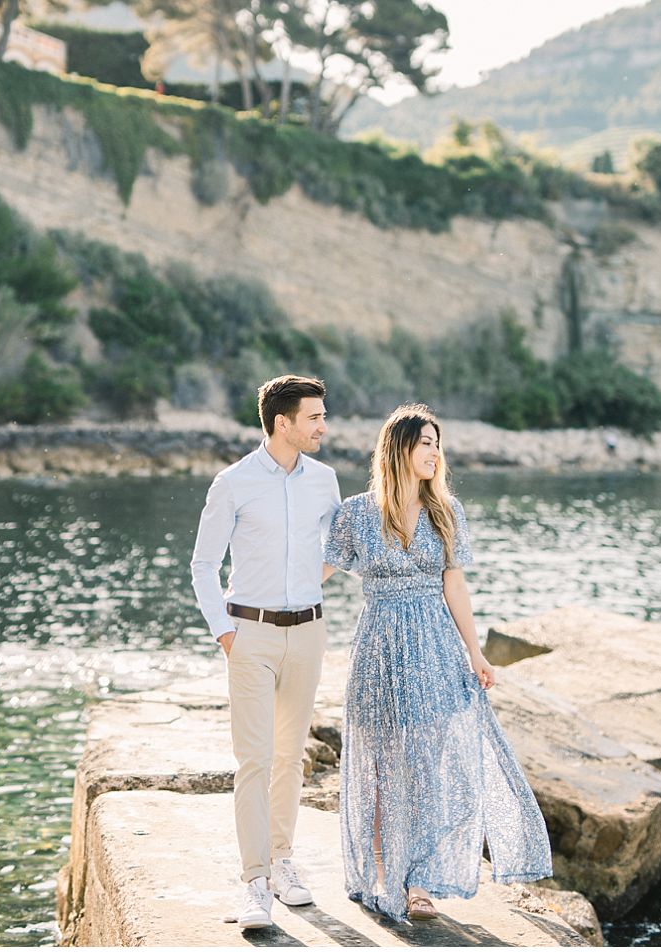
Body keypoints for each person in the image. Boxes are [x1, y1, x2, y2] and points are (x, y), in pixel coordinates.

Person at [323, 403, 552, 922]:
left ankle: (420, 883)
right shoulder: (357, 513)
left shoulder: (445, 511)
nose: (433, 451)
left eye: (436, 443)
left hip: (434, 648)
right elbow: (318, 572)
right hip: (378, 648)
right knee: (381, 766)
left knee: (428, 765)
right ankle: (386, 873)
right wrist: (259, 600)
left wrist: (476, 652)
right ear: (398, 448)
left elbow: (454, 584)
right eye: (424, 442)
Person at [190, 374, 341, 930]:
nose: (324, 425)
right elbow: (203, 564)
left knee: (289, 756)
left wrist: (309, 583)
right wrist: (224, 633)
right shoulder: (232, 483)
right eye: (315, 417)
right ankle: (254, 882)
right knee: (253, 759)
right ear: (284, 423)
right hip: (247, 634)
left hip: (309, 633)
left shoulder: (325, 481)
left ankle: (283, 863)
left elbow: (339, 549)